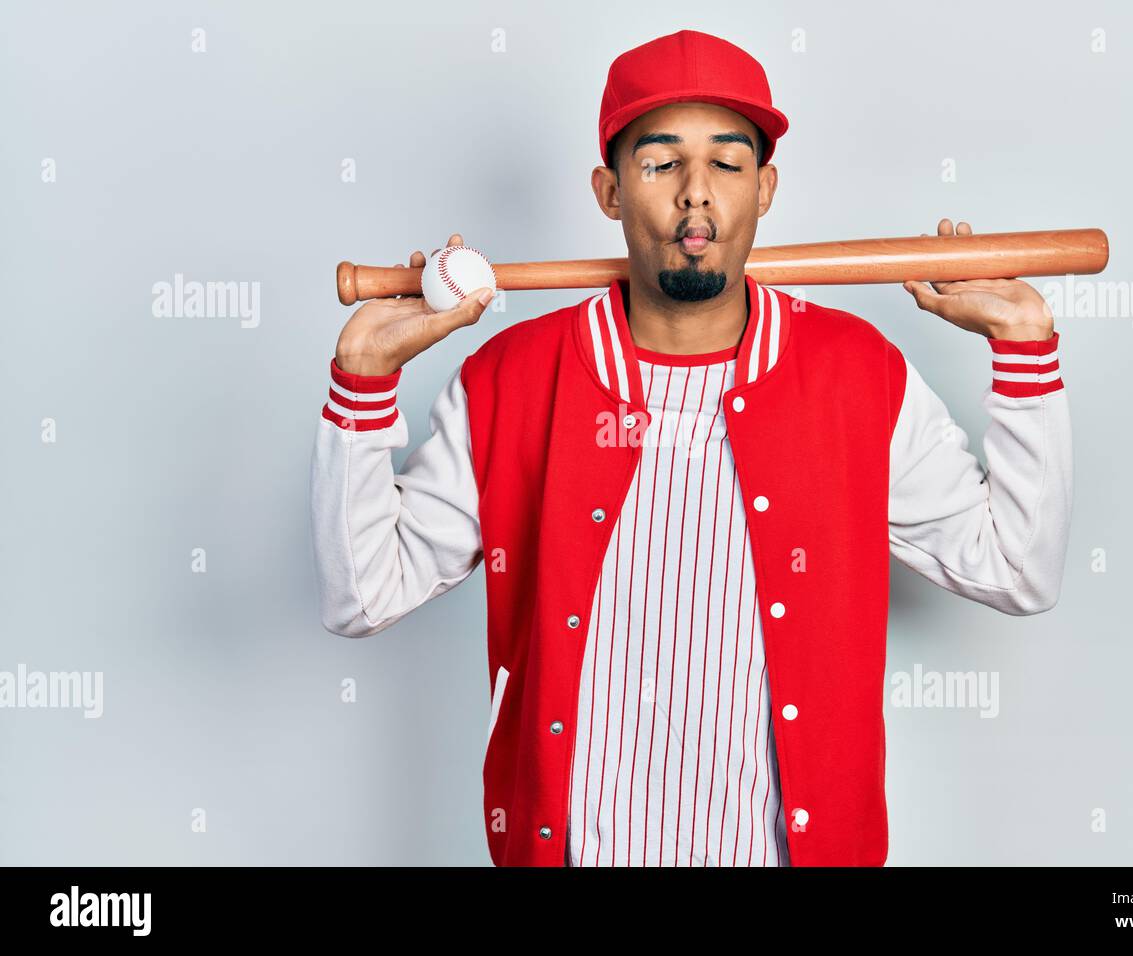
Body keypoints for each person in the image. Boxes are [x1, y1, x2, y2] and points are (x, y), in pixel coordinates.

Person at [310, 29, 1072, 867]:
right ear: (609, 191)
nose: (695, 196)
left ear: (766, 188)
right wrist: (362, 379)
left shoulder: (859, 378)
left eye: (728, 163)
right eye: (661, 162)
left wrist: (1025, 344)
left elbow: (1016, 570)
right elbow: (364, 595)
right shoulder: (512, 382)